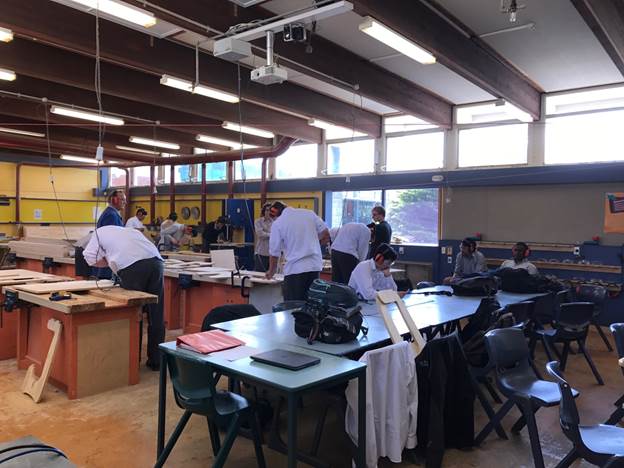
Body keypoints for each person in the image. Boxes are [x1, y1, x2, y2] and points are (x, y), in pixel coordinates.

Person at [82, 226, 164, 371]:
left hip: (132, 266)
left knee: (135, 313)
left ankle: (132, 362)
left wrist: (108, 261)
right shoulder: (127, 230)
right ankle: (157, 361)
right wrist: (111, 259)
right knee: (156, 313)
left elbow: (89, 257)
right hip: (156, 263)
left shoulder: (97, 233)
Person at [266, 201, 330, 301]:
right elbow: (326, 235)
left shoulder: (278, 223)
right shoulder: (309, 213)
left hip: (295, 269)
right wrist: (312, 245)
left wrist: (271, 272)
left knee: (293, 306)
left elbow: (274, 252)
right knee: (312, 303)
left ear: (277, 215)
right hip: (314, 266)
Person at [254, 203, 273, 272]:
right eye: (267, 210)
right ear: (263, 211)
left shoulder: (275, 222)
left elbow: (278, 235)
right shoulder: (258, 221)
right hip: (261, 253)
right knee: (259, 274)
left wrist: (266, 233)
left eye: (270, 210)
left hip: (272, 254)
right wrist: (272, 235)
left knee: (271, 274)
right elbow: (260, 234)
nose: (268, 212)